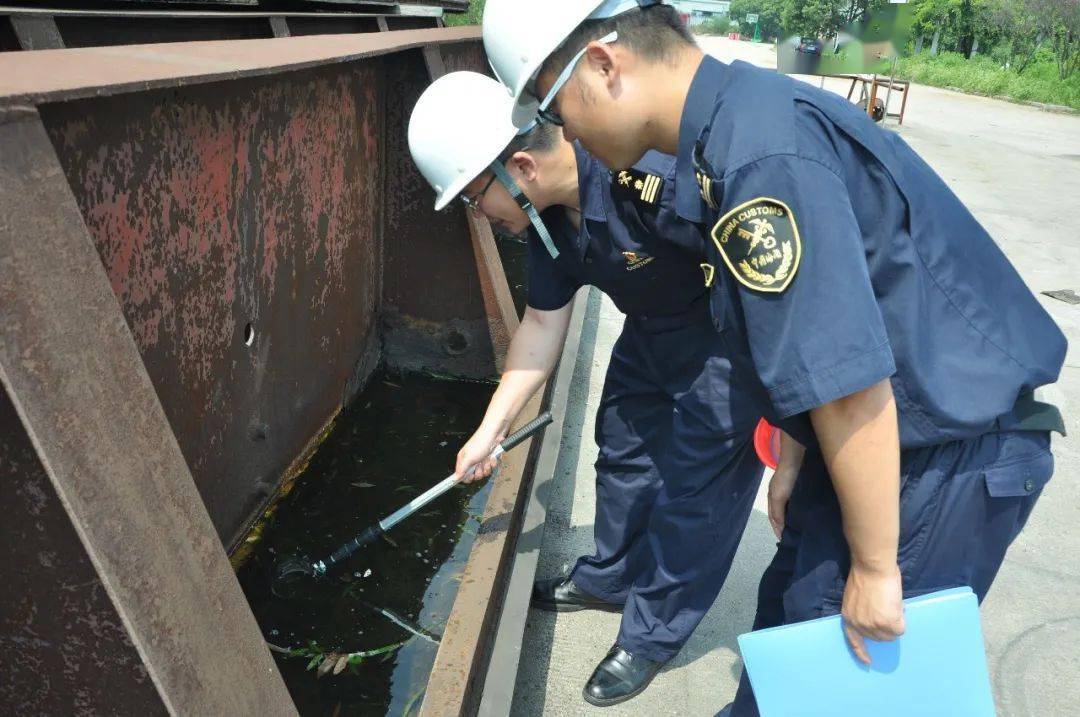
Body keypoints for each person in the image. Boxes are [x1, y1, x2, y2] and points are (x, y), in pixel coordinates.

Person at [479, 1, 1067, 714]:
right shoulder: (734, 126)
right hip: (879, 445)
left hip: (937, 454)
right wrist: (793, 455)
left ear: (604, 66)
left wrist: (879, 568)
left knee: (830, 684)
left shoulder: (756, 156)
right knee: (790, 640)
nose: (564, 133)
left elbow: (848, 378)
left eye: (556, 107)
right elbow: (804, 333)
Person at [408, 71, 764, 706]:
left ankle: (650, 635)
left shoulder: (653, 178)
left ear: (521, 166)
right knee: (623, 454)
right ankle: (609, 576)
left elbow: (763, 289)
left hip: (724, 343)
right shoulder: (546, 219)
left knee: (696, 496)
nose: (478, 214)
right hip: (650, 334)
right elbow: (542, 324)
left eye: (473, 197)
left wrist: (785, 419)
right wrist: (488, 432)